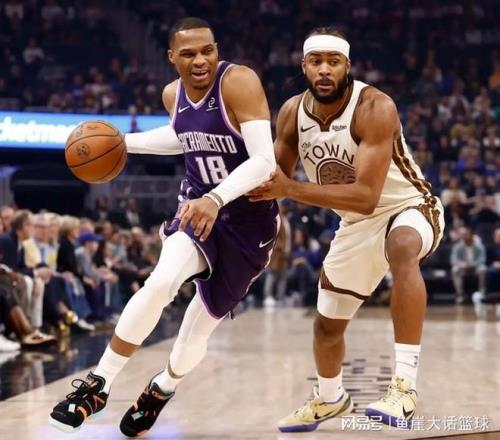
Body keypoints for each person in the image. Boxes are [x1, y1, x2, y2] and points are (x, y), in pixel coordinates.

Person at [49, 17, 278, 436]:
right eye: (188, 53)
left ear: (216, 50)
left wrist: (216, 199)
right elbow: (182, 136)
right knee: (160, 282)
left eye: (207, 50)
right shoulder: (173, 94)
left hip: (249, 222)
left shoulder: (238, 82)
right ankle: (99, 384)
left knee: (194, 335)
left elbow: (265, 161)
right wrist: (125, 143)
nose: (200, 60)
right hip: (195, 210)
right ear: (172, 57)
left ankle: (162, 387)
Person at [248, 27, 444, 431]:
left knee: (402, 246)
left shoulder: (375, 106)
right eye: (316, 61)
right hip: (354, 223)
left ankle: (404, 388)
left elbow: (367, 196)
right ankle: (330, 397)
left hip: (409, 205)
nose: (324, 69)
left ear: (347, 66)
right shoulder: (291, 113)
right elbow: (272, 182)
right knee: (326, 326)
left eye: (333, 62)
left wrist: (290, 189)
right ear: (304, 66)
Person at [450, 226, 487, 304]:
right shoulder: (458, 246)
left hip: (475, 267)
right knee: (455, 270)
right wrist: (462, 264)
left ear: (472, 236)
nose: (466, 237)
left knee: (482, 269)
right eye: (464, 235)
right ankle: (460, 295)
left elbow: (482, 259)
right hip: (463, 268)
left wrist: (471, 265)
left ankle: (482, 293)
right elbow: (454, 259)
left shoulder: (479, 246)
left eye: (467, 235)